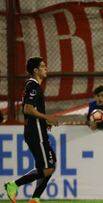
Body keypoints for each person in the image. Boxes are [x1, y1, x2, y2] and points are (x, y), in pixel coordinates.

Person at [4, 57, 59, 203]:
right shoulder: (33, 86)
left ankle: (34, 199)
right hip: (36, 132)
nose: (46, 68)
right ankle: (14, 185)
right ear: (35, 70)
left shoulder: (33, 86)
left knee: (48, 165)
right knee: (48, 168)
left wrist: (44, 120)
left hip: (36, 129)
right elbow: (28, 109)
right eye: (43, 66)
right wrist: (47, 117)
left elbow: (31, 109)